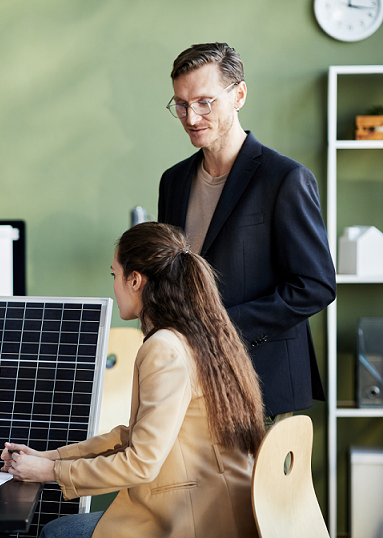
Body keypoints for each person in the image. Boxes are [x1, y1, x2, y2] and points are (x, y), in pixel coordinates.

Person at [1, 222, 264, 538]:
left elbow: (141, 463)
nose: (113, 284)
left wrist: (52, 472)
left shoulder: (164, 348)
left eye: (115, 275)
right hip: (217, 503)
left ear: (136, 280)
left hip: (193, 517)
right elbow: (134, 436)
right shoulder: (198, 336)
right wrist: (52, 457)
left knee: (58, 533)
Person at [158, 42, 336, 423]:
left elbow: (315, 286)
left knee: (256, 487)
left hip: (262, 381)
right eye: (181, 105)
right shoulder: (173, 181)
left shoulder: (285, 178)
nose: (191, 117)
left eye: (205, 102)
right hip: (189, 382)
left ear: (238, 94)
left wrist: (219, 326)